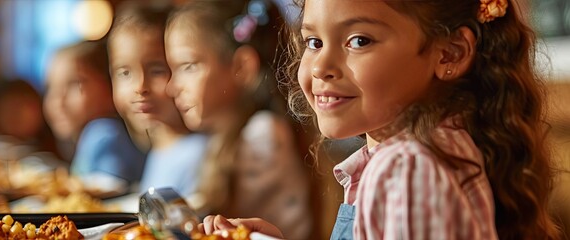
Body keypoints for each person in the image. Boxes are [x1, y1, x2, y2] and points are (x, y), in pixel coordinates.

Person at [198, 0, 562, 239]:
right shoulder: (419, 155)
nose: (322, 67)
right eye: (314, 42)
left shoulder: (408, 169)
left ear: (450, 52)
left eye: (359, 41)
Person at [164, 0, 312, 239]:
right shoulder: (225, 136)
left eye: (188, 66)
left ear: (241, 67)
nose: (172, 87)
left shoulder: (262, 134)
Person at [107, 1, 208, 197]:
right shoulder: (161, 147)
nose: (140, 87)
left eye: (157, 70)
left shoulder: (199, 156)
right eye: (125, 73)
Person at [44, 40, 146, 189]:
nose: (57, 100)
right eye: (50, 87)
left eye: (75, 83)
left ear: (109, 87)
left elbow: (105, 195)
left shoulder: (103, 134)